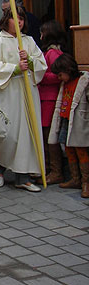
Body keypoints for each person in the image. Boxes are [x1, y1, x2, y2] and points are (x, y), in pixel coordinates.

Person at [0, 7, 47, 192]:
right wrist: (14, 68)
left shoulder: (28, 41)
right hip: (8, 91)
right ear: (6, 20)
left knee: (27, 133)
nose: (19, 22)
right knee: (6, 131)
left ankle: (23, 176)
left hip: (27, 89)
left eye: (21, 18)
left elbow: (41, 63)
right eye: (15, 18)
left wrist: (29, 61)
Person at [49, 54, 89, 197]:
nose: (59, 78)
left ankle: (86, 182)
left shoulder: (83, 82)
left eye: (60, 75)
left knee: (81, 150)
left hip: (79, 122)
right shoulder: (64, 84)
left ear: (68, 70)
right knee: (69, 148)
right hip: (66, 119)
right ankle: (75, 179)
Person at [38, 21, 66, 184]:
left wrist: (40, 75)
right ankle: (50, 169)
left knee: (49, 134)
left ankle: (55, 171)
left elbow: (58, 75)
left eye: (42, 33)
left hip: (49, 98)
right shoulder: (52, 53)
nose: (40, 36)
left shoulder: (52, 54)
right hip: (47, 97)